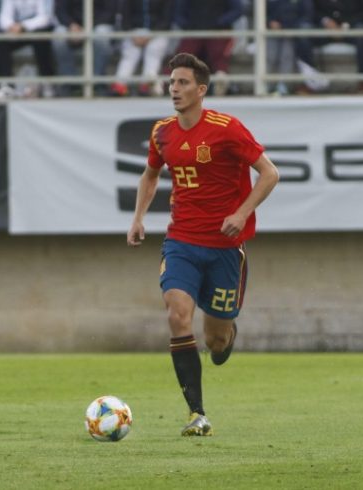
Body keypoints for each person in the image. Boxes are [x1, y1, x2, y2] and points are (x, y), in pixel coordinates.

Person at [126, 53, 279, 436]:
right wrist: (139, 218)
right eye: (171, 82)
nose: (173, 89)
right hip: (181, 241)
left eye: (182, 83)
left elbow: (269, 174)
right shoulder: (162, 131)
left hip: (226, 248)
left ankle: (226, 338)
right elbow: (150, 175)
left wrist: (241, 214)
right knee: (177, 314)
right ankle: (197, 413)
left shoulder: (227, 129)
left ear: (201, 90)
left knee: (215, 339)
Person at [172, 0, 244, 96]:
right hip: (193, 31)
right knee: (184, 56)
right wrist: (188, 25)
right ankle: (182, 83)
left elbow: (237, 10)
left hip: (218, 31)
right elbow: (178, 14)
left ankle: (220, 79)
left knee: (219, 54)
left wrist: (220, 22)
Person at [0, 0, 56, 99]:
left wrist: (23, 26)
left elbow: (45, 18)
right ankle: (7, 86)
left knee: (41, 38)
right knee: (0, 41)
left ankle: (47, 83)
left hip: (37, 29)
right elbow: (3, 17)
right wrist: (11, 26)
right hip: (17, 31)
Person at [52, 0, 120, 96]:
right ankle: (70, 82)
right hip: (72, 27)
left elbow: (110, 12)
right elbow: (60, 11)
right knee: (59, 36)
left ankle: (97, 81)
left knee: (102, 34)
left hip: (97, 25)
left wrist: (88, 28)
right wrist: (72, 25)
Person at [110, 0, 172, 97]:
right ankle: (120, 85)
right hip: (134, 32)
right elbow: (125, 18)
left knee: (153, 51)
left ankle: (147, 85)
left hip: (157, 32)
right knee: (130, 53)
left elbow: (166, 21)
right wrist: (132, 34)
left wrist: (151, 35)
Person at [266, 0, 314, 95]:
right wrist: (270, 22)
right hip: (271, 31)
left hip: (292, 31)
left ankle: (283, 85)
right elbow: (261, 12)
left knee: (287, 55)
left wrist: (287, 26)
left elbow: (307, 15)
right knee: (270, 55)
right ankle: (267, 85)